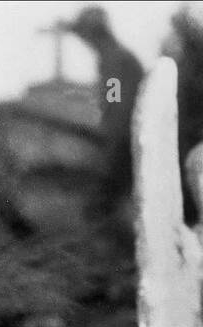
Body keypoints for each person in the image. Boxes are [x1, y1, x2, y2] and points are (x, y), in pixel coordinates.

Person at [61, 6, 144, 213]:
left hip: (126, 137)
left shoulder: (114, 59)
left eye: (85, 35)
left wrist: (111, 139)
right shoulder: (116, 56)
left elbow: (116, 101)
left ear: (94, 34)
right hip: (128, 135)